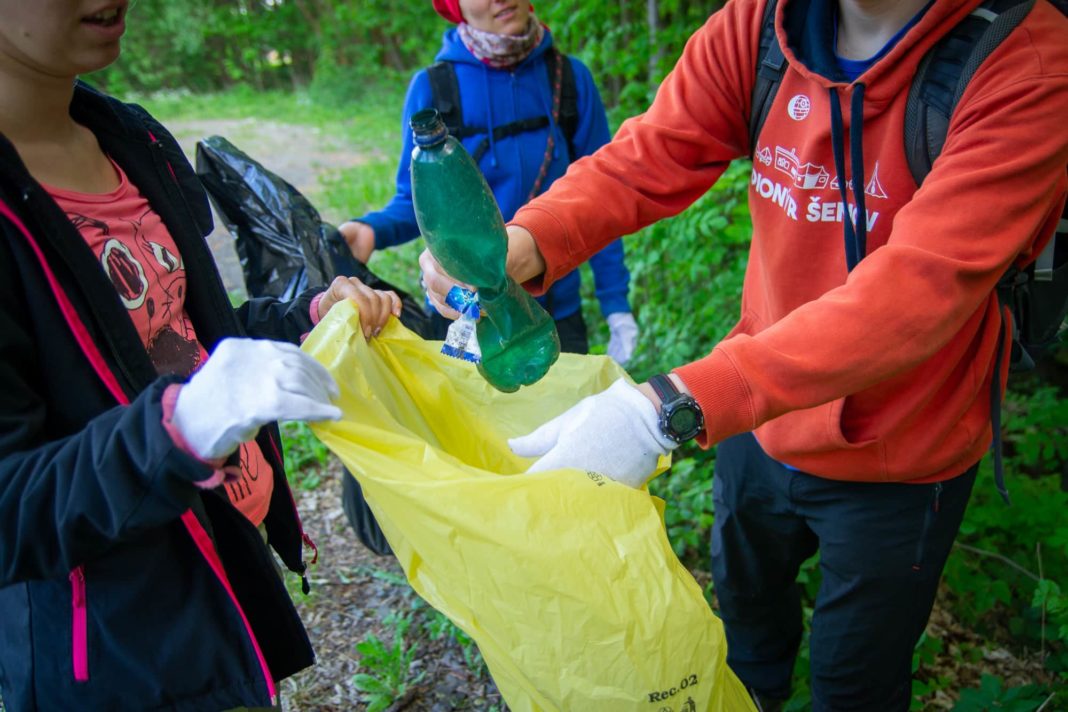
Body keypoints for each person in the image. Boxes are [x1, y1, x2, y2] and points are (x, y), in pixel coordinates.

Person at [420, 0, 1068, 708]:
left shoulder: (1027, 60)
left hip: (905, 445)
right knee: (745, 635)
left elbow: (919, 290)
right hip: (753, 421)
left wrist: (663, 408)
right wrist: (528, 241)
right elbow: (652, 153)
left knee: (857, 681)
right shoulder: (761, 24)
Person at [0, 2, 402, 710]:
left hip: (226, 570)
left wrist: (305, 318)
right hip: (120, 656)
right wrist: (179, 430)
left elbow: (185, 334)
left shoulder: (131, 141)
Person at [338, 0, 639, 363]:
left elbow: (599, 197)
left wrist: (616, 305)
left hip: (553, 314)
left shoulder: (569, 80)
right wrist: (371, 230)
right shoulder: (436, 88)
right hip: (465, 314)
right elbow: (417, 203)